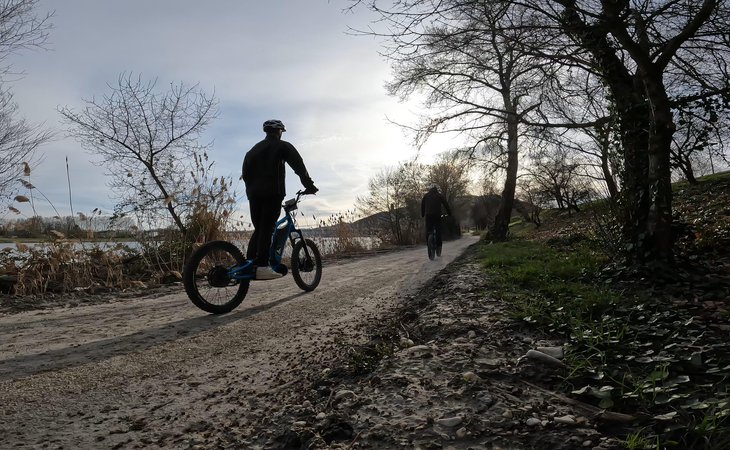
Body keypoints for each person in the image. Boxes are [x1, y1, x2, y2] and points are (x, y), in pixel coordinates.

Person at [242, 119, 318, 280]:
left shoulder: (252, 151)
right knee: (268, 228)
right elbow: (299, 166)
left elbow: (246, 175)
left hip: (253, 195)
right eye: (282, 131)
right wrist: (309, 186)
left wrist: (252, 191)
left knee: (260, 228)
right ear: (279, 131)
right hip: (272, 193)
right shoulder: (282, 146)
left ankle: (250, 264)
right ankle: (262, 266)